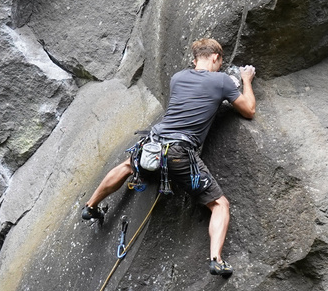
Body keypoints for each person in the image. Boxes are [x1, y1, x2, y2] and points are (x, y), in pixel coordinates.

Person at [81, 37, 256, 276]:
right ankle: (216, 259)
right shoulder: (222, 81)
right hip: (179, 153)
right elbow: (249, 110)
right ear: (216, 58)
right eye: (219, 61)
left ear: (194, 60)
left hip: (152, 145)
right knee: (219, 204)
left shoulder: (178, 78)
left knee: (127, 166)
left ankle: (91, 206)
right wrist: (245, 80)